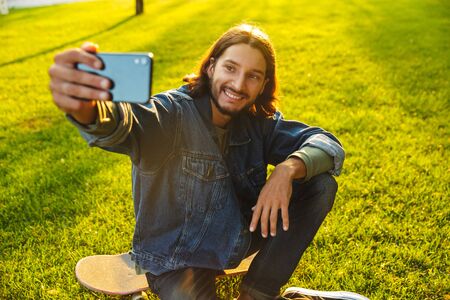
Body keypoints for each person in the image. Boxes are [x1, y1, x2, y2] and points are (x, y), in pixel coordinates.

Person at [48, 24, 356, 300]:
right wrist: (86, 110)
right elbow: (122, 125)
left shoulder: (259, 123)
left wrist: (287, 170)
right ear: (210, 67)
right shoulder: (171, 115)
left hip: (237, 239)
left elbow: (327, 145)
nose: (238, 84)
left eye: (253, 76)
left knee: (319, 184)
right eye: (230, 68)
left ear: (263, 85)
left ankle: (259, 293)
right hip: (176, 262)